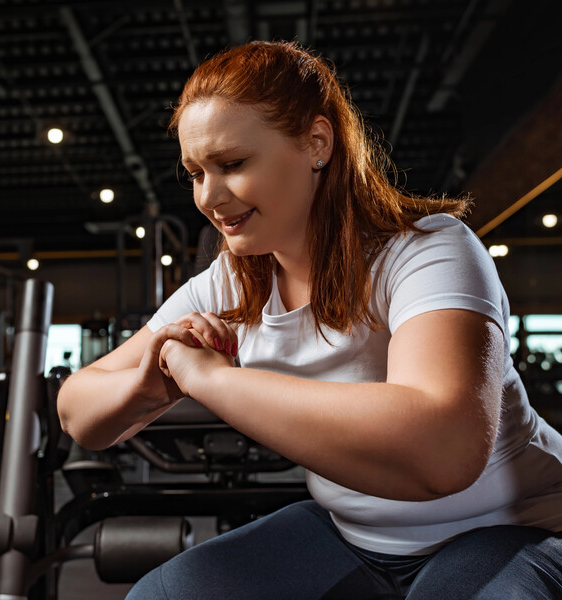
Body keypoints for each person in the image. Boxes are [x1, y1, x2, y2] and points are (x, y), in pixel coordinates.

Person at [57, 41, 562, 599]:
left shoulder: (428, 251)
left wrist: (209, 378)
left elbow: (443, 452)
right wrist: (149, 381)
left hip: (513, 528)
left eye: (232, 164)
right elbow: (78, 409)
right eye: (196, 173)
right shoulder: (234, 281)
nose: (209, 196)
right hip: (356, 536)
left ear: (316, 144)